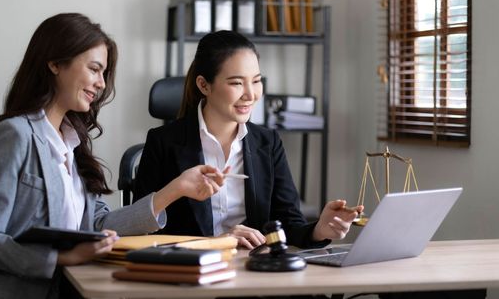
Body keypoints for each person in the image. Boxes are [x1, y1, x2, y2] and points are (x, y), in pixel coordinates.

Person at [0, 13, 225, 299]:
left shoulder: (72, 143)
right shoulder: (16, 135)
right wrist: (60, 258)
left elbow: (99, 227)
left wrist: (176, 189)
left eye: (103, 73)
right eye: (94, 69)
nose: (101, 83)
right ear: (54, 63)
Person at [133, 30, 363, 250]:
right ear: (204, 85)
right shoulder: (163, 143)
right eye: (236, 83)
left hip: (253, 271)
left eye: (256, 81)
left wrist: (319, 230)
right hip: (191, 276)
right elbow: (142, 232)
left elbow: (288, 225)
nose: (251, 94)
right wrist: (218, 242)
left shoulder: (268, 142)